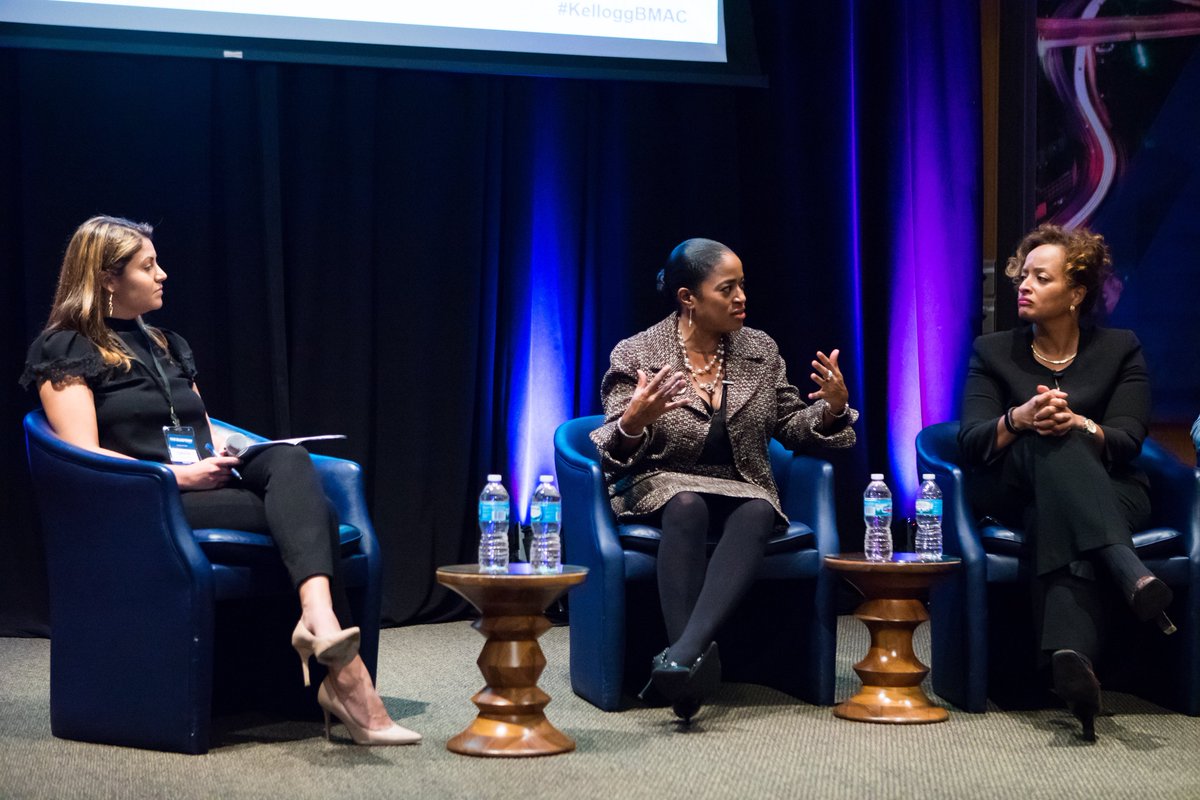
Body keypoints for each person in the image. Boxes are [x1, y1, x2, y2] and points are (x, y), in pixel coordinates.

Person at [21, 216, 419, 746]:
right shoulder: (66, 348)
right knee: (317, 516)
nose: (163, 274)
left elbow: (203, 431)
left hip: (201, 482)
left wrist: (241, 453)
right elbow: (84, 457)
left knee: (290, 463)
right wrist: (177, 477)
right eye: (147, 266)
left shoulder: (165, 343)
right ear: (107, 278)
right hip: (144, 502)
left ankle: (321, 626)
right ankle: (349, 686)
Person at [590, 237, 858, 722]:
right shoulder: (638, 352)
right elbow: (612, 444)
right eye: (727, 288)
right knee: (687, 503)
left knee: (759, 507)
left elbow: (790, 426)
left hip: (741, 484)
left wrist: (833, 408)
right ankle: (687, 660)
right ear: (688, 297)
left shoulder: (759, 349)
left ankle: (680, 660)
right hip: (660, 481)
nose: (741, 298)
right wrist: (634, 420)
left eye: (742, 286)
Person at [958, 223, 1169, 742]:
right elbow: (971, 441)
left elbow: (1127, 441)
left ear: (1076, 294)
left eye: (1041, 277)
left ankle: (1071, 664)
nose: (1023, 285)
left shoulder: (1121, 349)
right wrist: (1021, 419)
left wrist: (1079, 424)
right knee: (1047, 442)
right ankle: (1127, 570)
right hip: (1011, 486)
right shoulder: (993, 351)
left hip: (1112, 490)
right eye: (1022, 275)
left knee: (1059, 482)